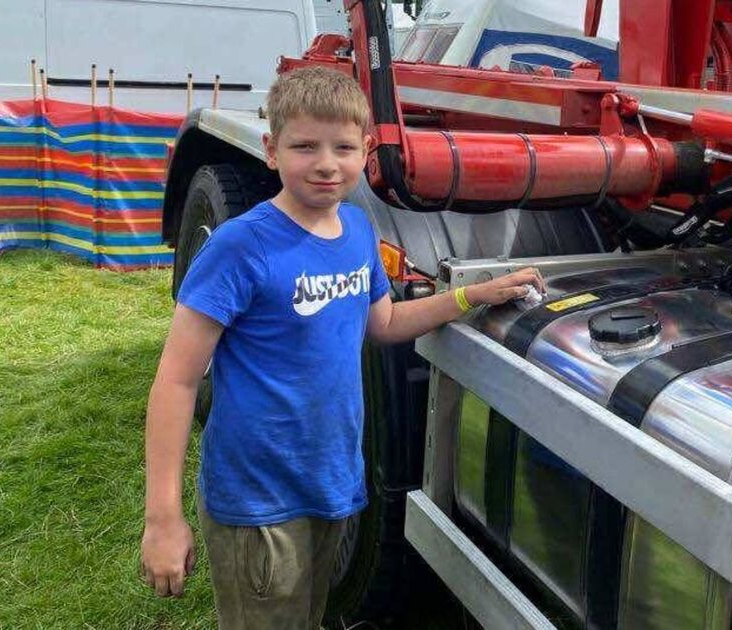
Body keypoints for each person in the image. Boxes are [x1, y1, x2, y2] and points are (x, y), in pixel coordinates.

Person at [139, 66, 544, 628]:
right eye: (305, 146)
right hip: (259, 500)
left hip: (330, 483)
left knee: (309, 616)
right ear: (271, 150)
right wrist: (162, 517)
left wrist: (471, 296)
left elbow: (384, 322)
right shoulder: (240, 247)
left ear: (367, 151)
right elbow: (177, 381)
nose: (327, 163)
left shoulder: (355, 231)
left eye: (343, 148)